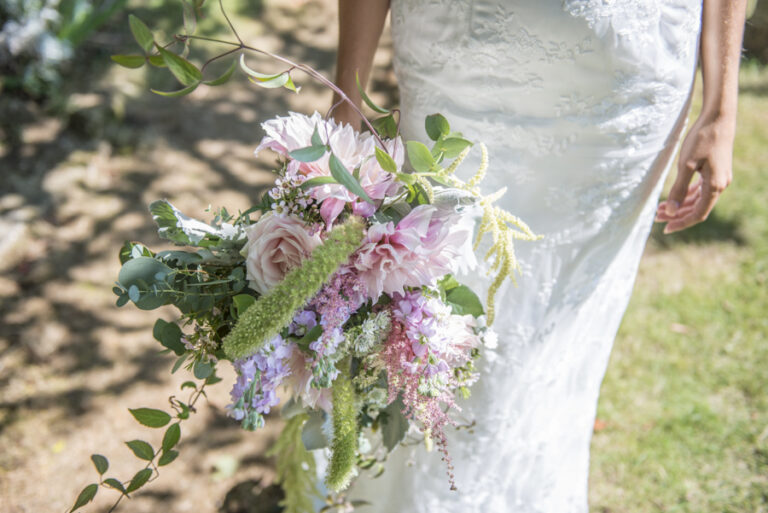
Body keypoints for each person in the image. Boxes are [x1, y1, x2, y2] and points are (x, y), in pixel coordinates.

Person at [331, 1, 746, 511]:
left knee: (550, 348)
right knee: (431, 325)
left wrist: (721, 108)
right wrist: (345, 99)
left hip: (618, 100)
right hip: (458, 61)